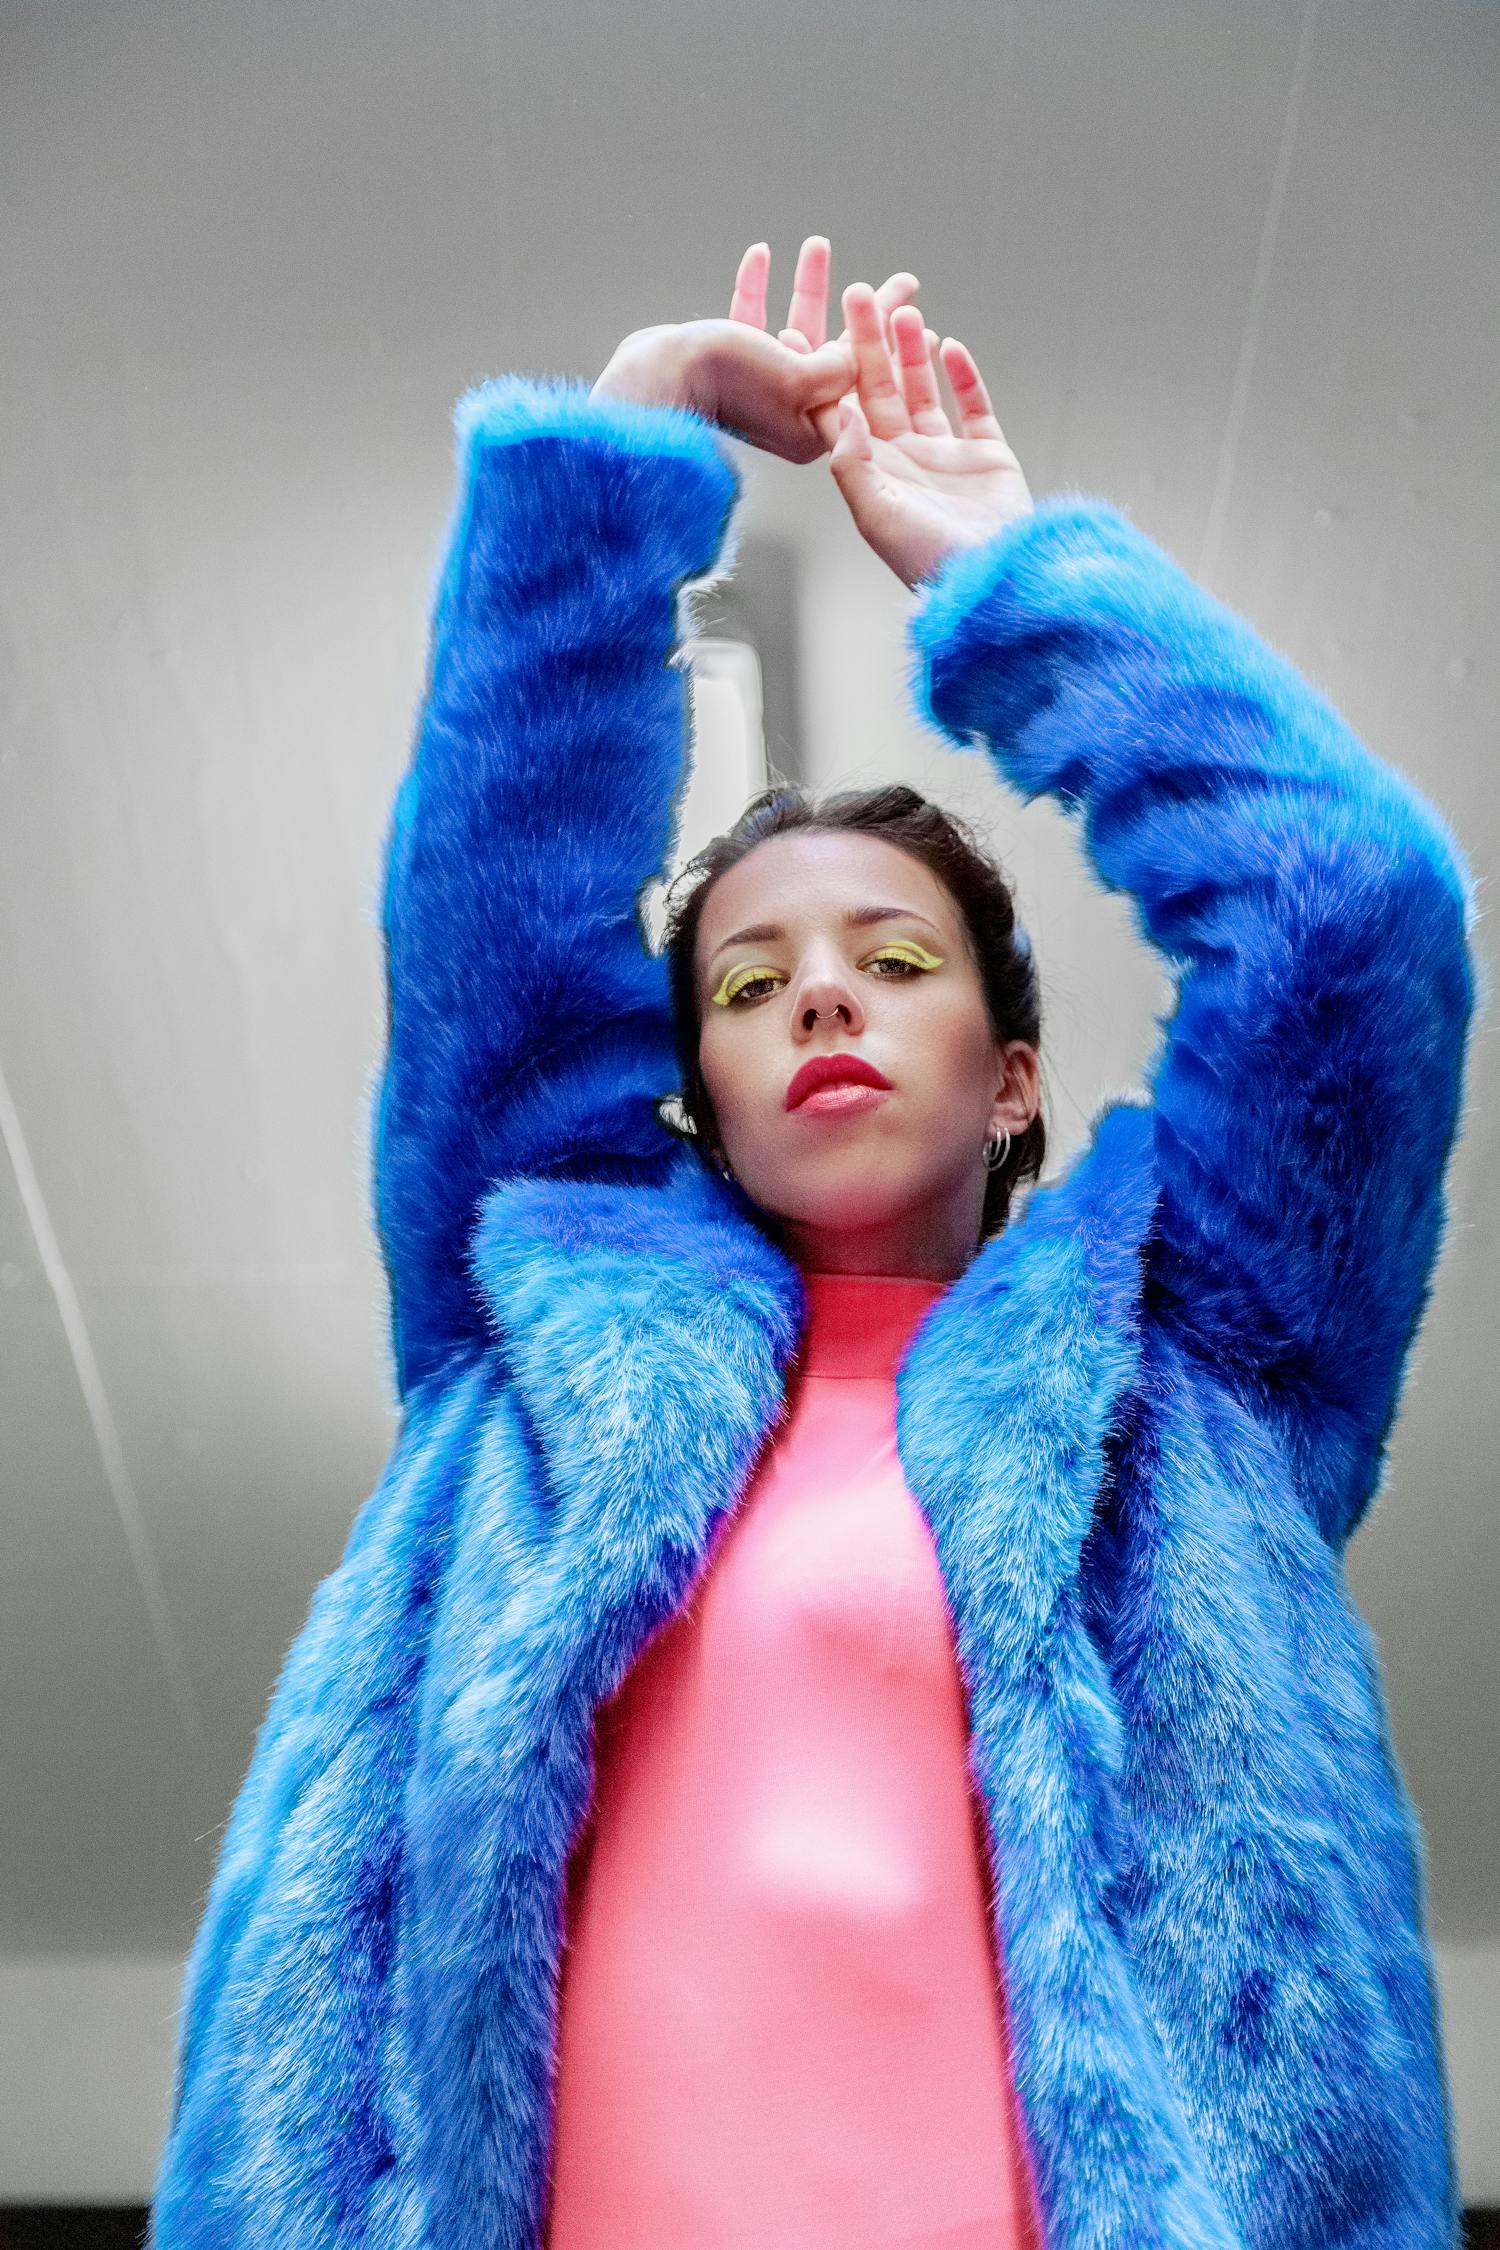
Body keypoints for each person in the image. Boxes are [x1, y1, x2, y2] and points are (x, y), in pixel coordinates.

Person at [147, 237, 1480, 2250]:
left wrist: (1007, 577)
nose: (824, 997)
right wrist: (615, 464)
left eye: (895, 960)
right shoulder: (536, 1320)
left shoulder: (1202, 1372)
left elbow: (1353, 914)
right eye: (753, 983)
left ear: (1014, 1080)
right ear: (699, 1086)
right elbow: (494, 937)